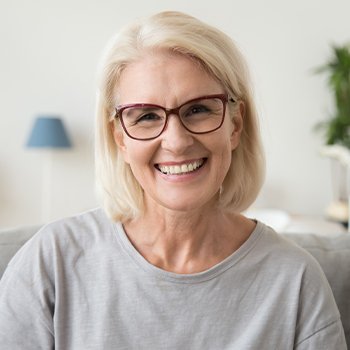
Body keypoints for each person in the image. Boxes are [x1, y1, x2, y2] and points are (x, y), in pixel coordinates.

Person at [0, 11, 346, 350]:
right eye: (147, 116)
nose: (177, 141)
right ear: (120, 138)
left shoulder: (295, 280)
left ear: (235, 125)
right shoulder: (51, 261)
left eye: (198, 109)